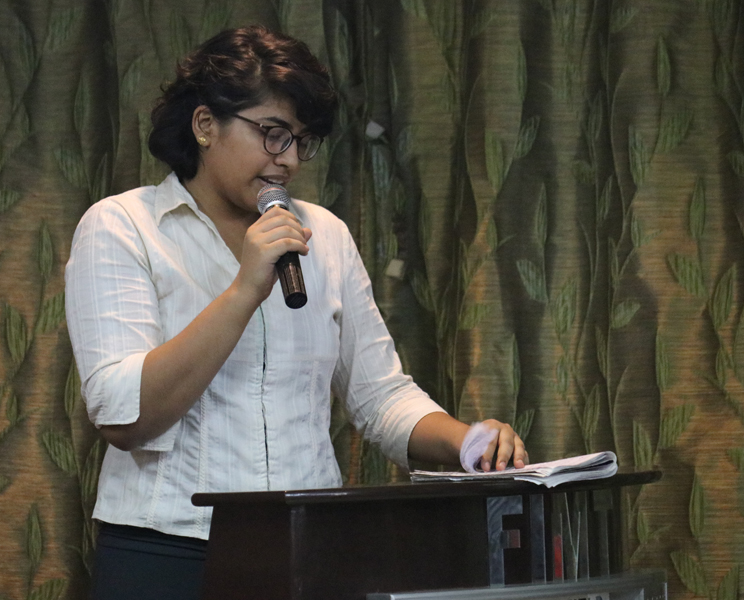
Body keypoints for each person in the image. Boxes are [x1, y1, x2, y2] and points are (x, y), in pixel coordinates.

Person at [65, 24, 528, 600]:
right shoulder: (122, 226)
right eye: (272, 134)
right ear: (205, 124)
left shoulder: (323, 233)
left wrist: (468, 443)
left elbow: (380, 397)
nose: (287, 160)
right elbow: (124, 417)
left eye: (302, 141)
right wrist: (243, 291)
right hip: (168, 550)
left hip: (310, 543)